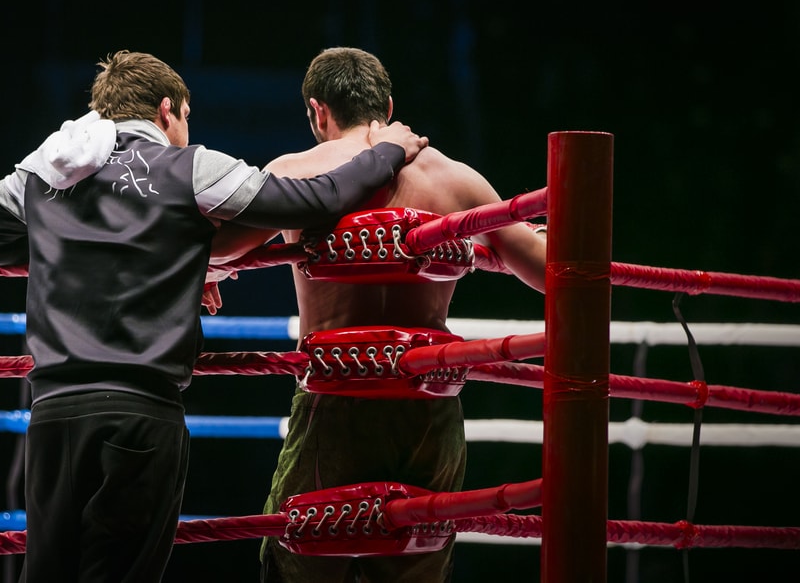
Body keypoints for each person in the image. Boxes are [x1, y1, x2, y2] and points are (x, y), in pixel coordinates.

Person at [0, 49, 428, 583]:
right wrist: (384, 152)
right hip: (140, 413)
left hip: (54, 415)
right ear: (166, 110)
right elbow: (316, 198)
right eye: (186, 119)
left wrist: (76, 247)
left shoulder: (51, 169)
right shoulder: (189, 165)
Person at [208, 46, 547, 582]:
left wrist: (208, 274)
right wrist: (552, 228)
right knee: (416, 567)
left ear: (318, 111)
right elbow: (553, 273)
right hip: (428, 414)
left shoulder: (296, 173)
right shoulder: (456, 180)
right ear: (387, 105)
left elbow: (218, 251)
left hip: (336, 404)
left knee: (296, 562)